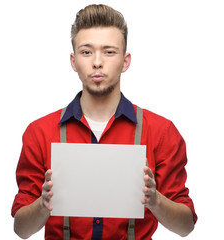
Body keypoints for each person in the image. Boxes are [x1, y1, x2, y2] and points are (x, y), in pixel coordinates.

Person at [12, 4, 197, 240]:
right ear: (73, 61)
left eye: (109, 52)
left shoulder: (162, 131)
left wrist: (155, 200)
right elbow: (21, 229)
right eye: (86, 52)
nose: (97, 62)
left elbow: (186, 227)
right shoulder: (39, 132)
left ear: (125, 61)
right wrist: (42, 204)